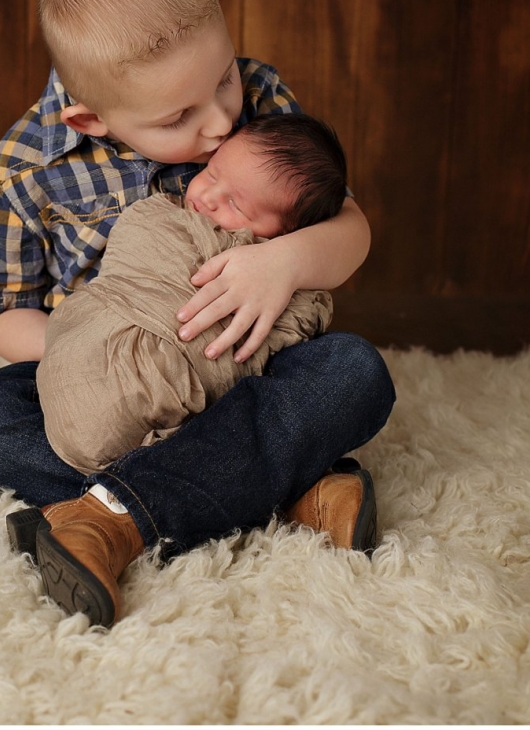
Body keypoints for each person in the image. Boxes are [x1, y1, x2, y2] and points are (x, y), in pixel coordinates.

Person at [0, 0, 396, 628]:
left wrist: (282, 262)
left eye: (223, 79)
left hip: (241, 367)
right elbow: (0, 311)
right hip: (104, 384)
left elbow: (351, 229)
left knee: (353, 371)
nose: (219, 123)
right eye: (180, 116)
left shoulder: (261, 94)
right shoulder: (19, 172)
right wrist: (90, 345)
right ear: (92, 118)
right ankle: (281, 484)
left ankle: (107, 516)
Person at [34, 113, 344, 474]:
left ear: (286, 231)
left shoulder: (264, 110)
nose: (208, 197)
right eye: (211, 173)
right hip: (83, 357)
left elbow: (295, 322)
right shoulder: (161, 212)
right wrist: (83, 350)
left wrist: (282, 262)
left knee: (352, 366)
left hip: (203, 410)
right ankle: (206, 485)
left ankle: (127, 490)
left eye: (236, 205)